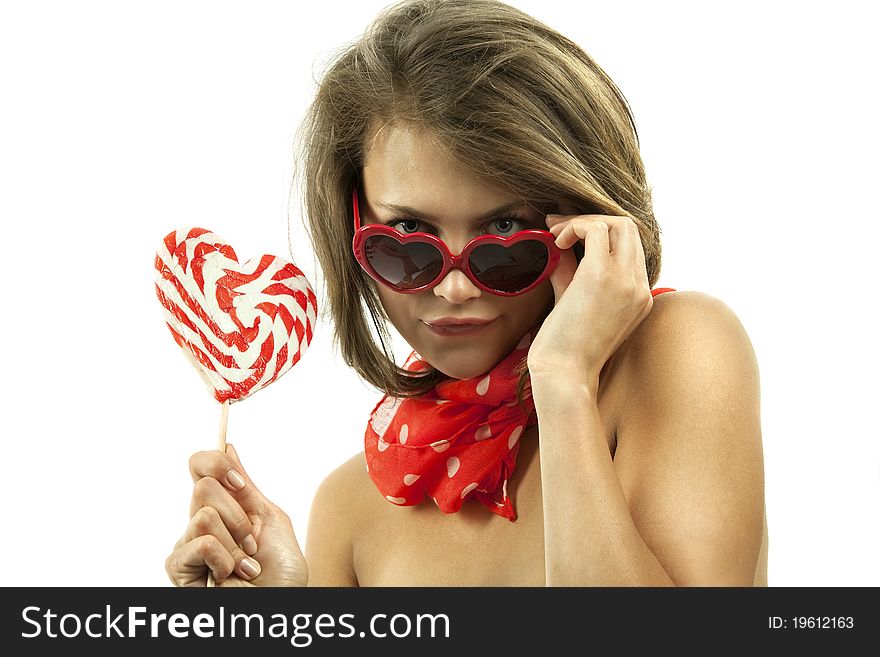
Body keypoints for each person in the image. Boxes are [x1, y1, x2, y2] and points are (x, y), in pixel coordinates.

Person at [165, 0, 767, 587]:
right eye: (406, 236)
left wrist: (564, 380)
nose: (454, 287)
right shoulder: (352, 508)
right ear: (352, 227)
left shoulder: (679, 353)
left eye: (504, 232)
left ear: (581, 221)